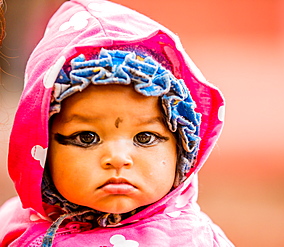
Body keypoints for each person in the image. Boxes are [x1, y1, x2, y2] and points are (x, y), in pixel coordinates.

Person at [0, 0, 233, 246]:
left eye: (145, 137)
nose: (118, 158)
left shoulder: (195, 240)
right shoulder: (13, 225)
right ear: (42, 149)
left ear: (182, 149)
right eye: (87, 137)